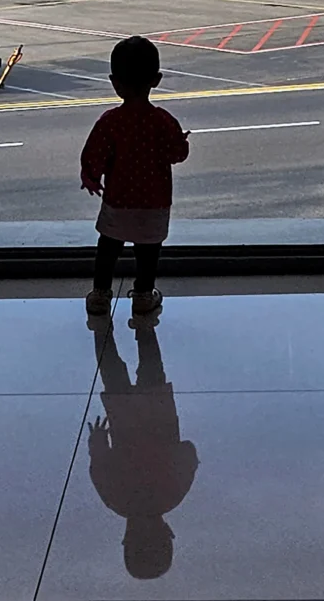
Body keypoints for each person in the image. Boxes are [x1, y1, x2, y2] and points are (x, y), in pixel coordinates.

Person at [81, 36, 191, 319]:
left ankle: (100, 295)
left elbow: (95, 153)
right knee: (148, 250)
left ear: (114, 82)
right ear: (156, 79)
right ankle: (143, 296)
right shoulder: (163, 120)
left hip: (119, 199)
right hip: (154, 201)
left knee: (108, 248)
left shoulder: (110, 121)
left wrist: (91, 176)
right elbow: (176, 154)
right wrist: (183, 143)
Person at [89, 320, 199, 579]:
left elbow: (187, 452)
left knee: (150, 363)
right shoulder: (116, 500)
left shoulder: (172, 496)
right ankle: (101, 322)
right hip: (123, 417)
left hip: (158, 415)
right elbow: (100, 463)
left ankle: (144, 321)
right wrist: (98, 440)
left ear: (167, 534)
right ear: (127, 540)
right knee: (111, 367)